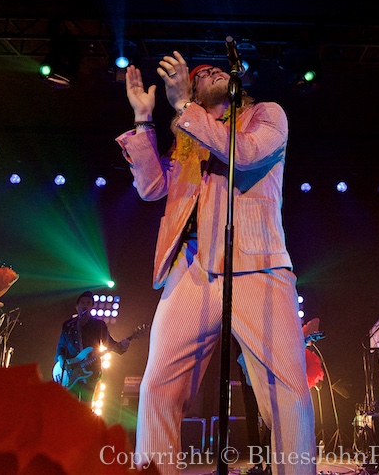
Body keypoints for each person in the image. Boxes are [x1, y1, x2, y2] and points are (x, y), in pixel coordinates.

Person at [116, 51, 316, 475]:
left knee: (289, 395)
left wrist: (183, 107)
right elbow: (151, 188)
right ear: (194, 91)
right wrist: (144, 120)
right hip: (191, 268)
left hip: (258, 264)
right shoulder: (188, 140)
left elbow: (246, 153)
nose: (212, 71)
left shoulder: (267, 115)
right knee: (157, 388)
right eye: (201, 73)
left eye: (216, 69)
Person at [54, 291, 130, 404]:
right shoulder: (69, 325)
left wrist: (122, 347)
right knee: (70, 405)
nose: (85, 305)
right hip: (70, 370)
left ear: (92, 307)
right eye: (83, 302)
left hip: (91, 370)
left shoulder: (99, 325)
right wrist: (61, 361)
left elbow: (109, 344)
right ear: (77, 306)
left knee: (86, 405)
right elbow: (61, 345)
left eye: (88, 303)